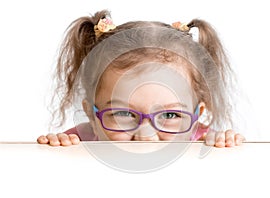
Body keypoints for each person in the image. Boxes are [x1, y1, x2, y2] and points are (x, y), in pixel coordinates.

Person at [37, 10, 245, 147]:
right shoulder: (82, 141)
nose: (145, 136)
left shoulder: (201, 142)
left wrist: (223, 144)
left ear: (196, 115)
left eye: (171, 115)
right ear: (91, 115)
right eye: (123, 113)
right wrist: (59, 148)